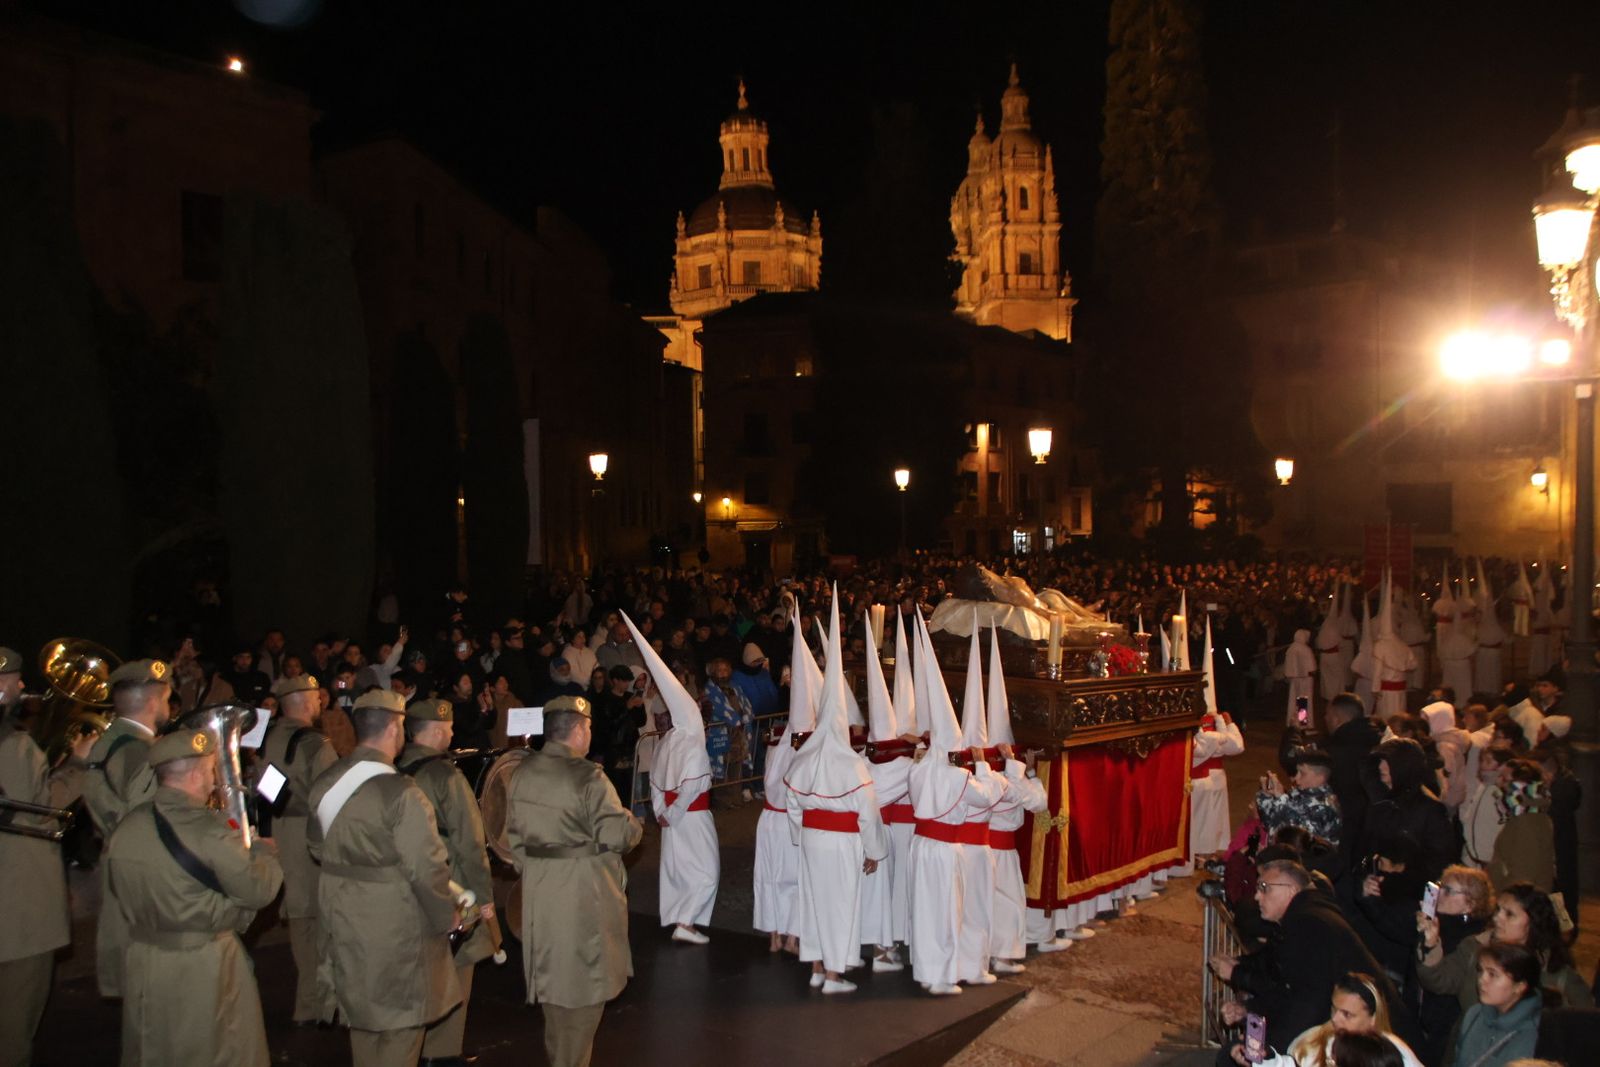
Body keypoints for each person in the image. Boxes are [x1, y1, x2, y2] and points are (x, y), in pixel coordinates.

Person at [104, 726, 283, 1067]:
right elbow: (259, 890)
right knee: (219, 1049)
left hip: (145, 961)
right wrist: (263, 853)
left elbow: (117, 889)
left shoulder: (127, 828)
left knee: (153, 1050)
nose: (214, 780)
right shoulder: (209, 831)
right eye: (211, 770)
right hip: (205, 964)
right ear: (200, 772)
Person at [307, 688, 462, 1067]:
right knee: (400, 1027)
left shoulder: (327, 782)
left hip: (341, 911)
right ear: (396, 730)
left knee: (361, 1019)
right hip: (394, 923)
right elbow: (426, 869)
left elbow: (314, 846)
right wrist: (449, 917)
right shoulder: (402, 792)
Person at [505, 694, 643, 1067]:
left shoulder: (521, 773)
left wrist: (540, 870)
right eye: (589, 727)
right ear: (579, 730)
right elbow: (618, 835)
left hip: (540, 893)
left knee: (554, 996)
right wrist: (632, 822)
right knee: (584, 997)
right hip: (584, 896)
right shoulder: (588, 777)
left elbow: (511, 840)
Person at [783, 592, 887, 994]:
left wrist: (800, 831)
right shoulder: (852, 763)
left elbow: (793, 803)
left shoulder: (803, 760)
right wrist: (874, 850)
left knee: (812, 899)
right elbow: (867, 810)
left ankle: (814, 966)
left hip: (812, 838)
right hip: (842, 842)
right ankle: (834, 974)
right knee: (841, 902)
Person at [0, 646, 91, 1066]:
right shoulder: (13, 746)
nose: (20, 686)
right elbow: (43, 815)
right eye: (12, 680)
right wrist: (77, 767)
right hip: (17, 910)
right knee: (14, 1029)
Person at [1212, 858, 1406, 1054]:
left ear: (1292, 890)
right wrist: (1249, 1007)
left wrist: (1266, 1051)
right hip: (1352, 1038)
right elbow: (1285, 982)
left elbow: (1306, 1004)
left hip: (1378, 1048)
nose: (1256, 896)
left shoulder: (1309, 924)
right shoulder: (1304, 916)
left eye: (1264, 888)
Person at [906, 611, 1004, 996]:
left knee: (928, 911)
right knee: (946, 913)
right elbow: (991, 795)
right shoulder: (959, 776)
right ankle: (941, 975)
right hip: (947, 850)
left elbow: (916, 770)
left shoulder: (919, 771)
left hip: (923, 846)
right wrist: (983, 765)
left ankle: (937, 969)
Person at [398, 697, 500, 1067]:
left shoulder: (397, 767)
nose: (454, 733)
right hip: (451, 882)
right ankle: (442, 1052)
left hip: (408, 882)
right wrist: (484, 898)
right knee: (459, 967)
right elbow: (471, 841)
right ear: (438, 730)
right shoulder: (445, 775)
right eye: (450, 727)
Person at [624, 613, 719, 945]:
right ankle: (686, 920)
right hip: (691, 816)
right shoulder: (692, 746)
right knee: (707, 871)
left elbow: (655, 780)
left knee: (679, 870)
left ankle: (683, 919)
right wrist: (675, 811)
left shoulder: (666, 742)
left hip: (670, 816)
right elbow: (693, 784)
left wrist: (662, 811)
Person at [83, 658, 173, 998]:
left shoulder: (111, 740)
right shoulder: (137, 750)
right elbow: (149, 818)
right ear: (152, 701)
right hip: (141, 873)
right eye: (165, 698)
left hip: (118, 858)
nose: (167, 706)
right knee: (148, 987)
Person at [258, 674, 338, 1025]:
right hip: (312, 835)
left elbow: (263, 791)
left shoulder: (268, 739)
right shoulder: (315, 743)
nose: (321, 701)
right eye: (316, 697)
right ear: (305, 702)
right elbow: (331, 797)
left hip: (281, 833)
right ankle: (323, 1004)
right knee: (324, 923)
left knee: (300, 923)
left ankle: (307, 1004)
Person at [981, 625, 1048, 977]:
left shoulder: (992, 775)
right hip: (996, 848)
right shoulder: (1002, 778)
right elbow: (1036, 801)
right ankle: (1000, 954)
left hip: (989, 847)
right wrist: (1022, 769)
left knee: (991, 901)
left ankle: (991, 953)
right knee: (1003, 902)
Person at [1418, 881, 1593, 1013]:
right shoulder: (1475, 948)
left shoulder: (1557, 973)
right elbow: (1439, 980)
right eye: (1498, 910)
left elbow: (1585, 1026)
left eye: (1509, 914)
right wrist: (1431, 943)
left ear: (1532, 923)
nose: (1497, 918)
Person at [753, 612, 816, 954]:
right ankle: (790, 934)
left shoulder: (776, 745)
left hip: (768, 819)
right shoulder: (797, 751)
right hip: (789, 821)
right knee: (791, 877)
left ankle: (775, 934)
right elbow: (798, 791)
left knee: (771, 876)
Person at [1228, 971, 1422, 1067]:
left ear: (1372, 1017)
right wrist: (1263, 1059)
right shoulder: (1315, 1040)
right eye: (1334, 1009)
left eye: (1348, 1014)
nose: (1336, 1019)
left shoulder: (1393, 1054)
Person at [1412, 866, 1495, 1065]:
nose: (1440, 894)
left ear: (1470, 904)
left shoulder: (1469, 939)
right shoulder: (1437, 924)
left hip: (1445, 1030)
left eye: (1448, 891)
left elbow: (1442, 981)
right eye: (1440, 887)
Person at [1362, 738, 1455, 884]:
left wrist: (1400, 868)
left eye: (1388, 762)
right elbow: (1366, 848)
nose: (1381, 767)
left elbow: (1439, 860)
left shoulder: (1430, 809)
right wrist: (1365, 876)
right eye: (1380, 761)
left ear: (1403, 766)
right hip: (1378, 891)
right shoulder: (1380, 800)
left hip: (1411, 893)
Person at [1447, 943, 1543, 1067]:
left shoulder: (1536, 1032)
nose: (1482, 979)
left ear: (1519, 986)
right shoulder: (1474, 1015)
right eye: (1481, 971)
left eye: (1492, 974)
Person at [1324, 692, 1383, 868]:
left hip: (1345, 823)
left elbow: (1292, 758)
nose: (1325, 718)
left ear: (1336, 718)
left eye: (1327, 714)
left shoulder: (1335, 749)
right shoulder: (1380, 741)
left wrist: (1294, 730)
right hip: (1373, 824)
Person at [1487, 761, 1555, 893]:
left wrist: (1506, 900)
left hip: (1517, 901)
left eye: (1505, 779)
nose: (1499, 783)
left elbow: (1523, 873)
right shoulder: (1531, 814)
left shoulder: (1526, 821)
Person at [1256, 749, 1341, 846]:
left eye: (1302, 773)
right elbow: (1272, 823)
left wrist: (1281, 797)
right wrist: (1266, 796)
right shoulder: (1300, 794)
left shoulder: (1323, 807)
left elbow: (1294, 837)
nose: (1296, 777)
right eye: (1297, 772)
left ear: (1320, 777)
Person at [1461, 744, 1513, 868]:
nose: (1483, 765)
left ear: (1503, 766)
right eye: (1482, 761)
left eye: (1488, 762)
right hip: (1471, 857)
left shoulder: (1502, 793)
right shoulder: (1483, 787)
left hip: (1490, 860)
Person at [1283, 627, 1317, 726]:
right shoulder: (1305, 649)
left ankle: (1293, 721)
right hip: (1305, 680)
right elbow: (1312, 668)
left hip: (1294, 680)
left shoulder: (1291, 649)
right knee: (1303, 701)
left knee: (1293, 701)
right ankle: (1303, 723)